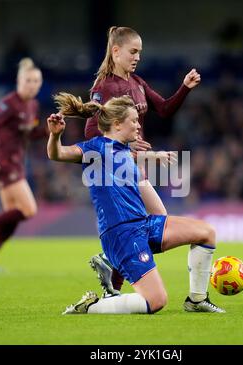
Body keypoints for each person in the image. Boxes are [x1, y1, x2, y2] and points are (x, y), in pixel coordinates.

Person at [47, 93, 225, 314]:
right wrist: (55, 137)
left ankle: (196, 300)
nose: (138, 126)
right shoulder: (95, 148)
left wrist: (154, 156)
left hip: (143, 224)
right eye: (133, 121)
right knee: (156, 301)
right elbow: (58, 154)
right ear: (117, 124)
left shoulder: (123, 151)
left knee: (206, 232)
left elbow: (127, 158)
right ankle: (92, 306)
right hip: (122, 234)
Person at [85, 26, 201, 296]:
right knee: (158, 222)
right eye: (133, 51)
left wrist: (184, 87)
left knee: (158, 223)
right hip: (116, 170)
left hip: (136, 165)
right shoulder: (104, 88)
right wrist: (123, 141)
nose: (137, 57)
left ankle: (112, 279)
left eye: (140, 52)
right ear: (116, 51)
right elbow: (90, 132)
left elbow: (164, 108)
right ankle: (114, 271)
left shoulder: (137, 82)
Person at [0, 58, 46, 271]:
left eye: (36, 81)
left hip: (18, 162)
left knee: (12, 215)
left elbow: (30, 134)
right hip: (4, 163)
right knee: (28, 210)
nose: (33, 84)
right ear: (19, 81)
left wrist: (50, 130)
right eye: (29, 80)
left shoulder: (33, 105)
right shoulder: (8, 103)